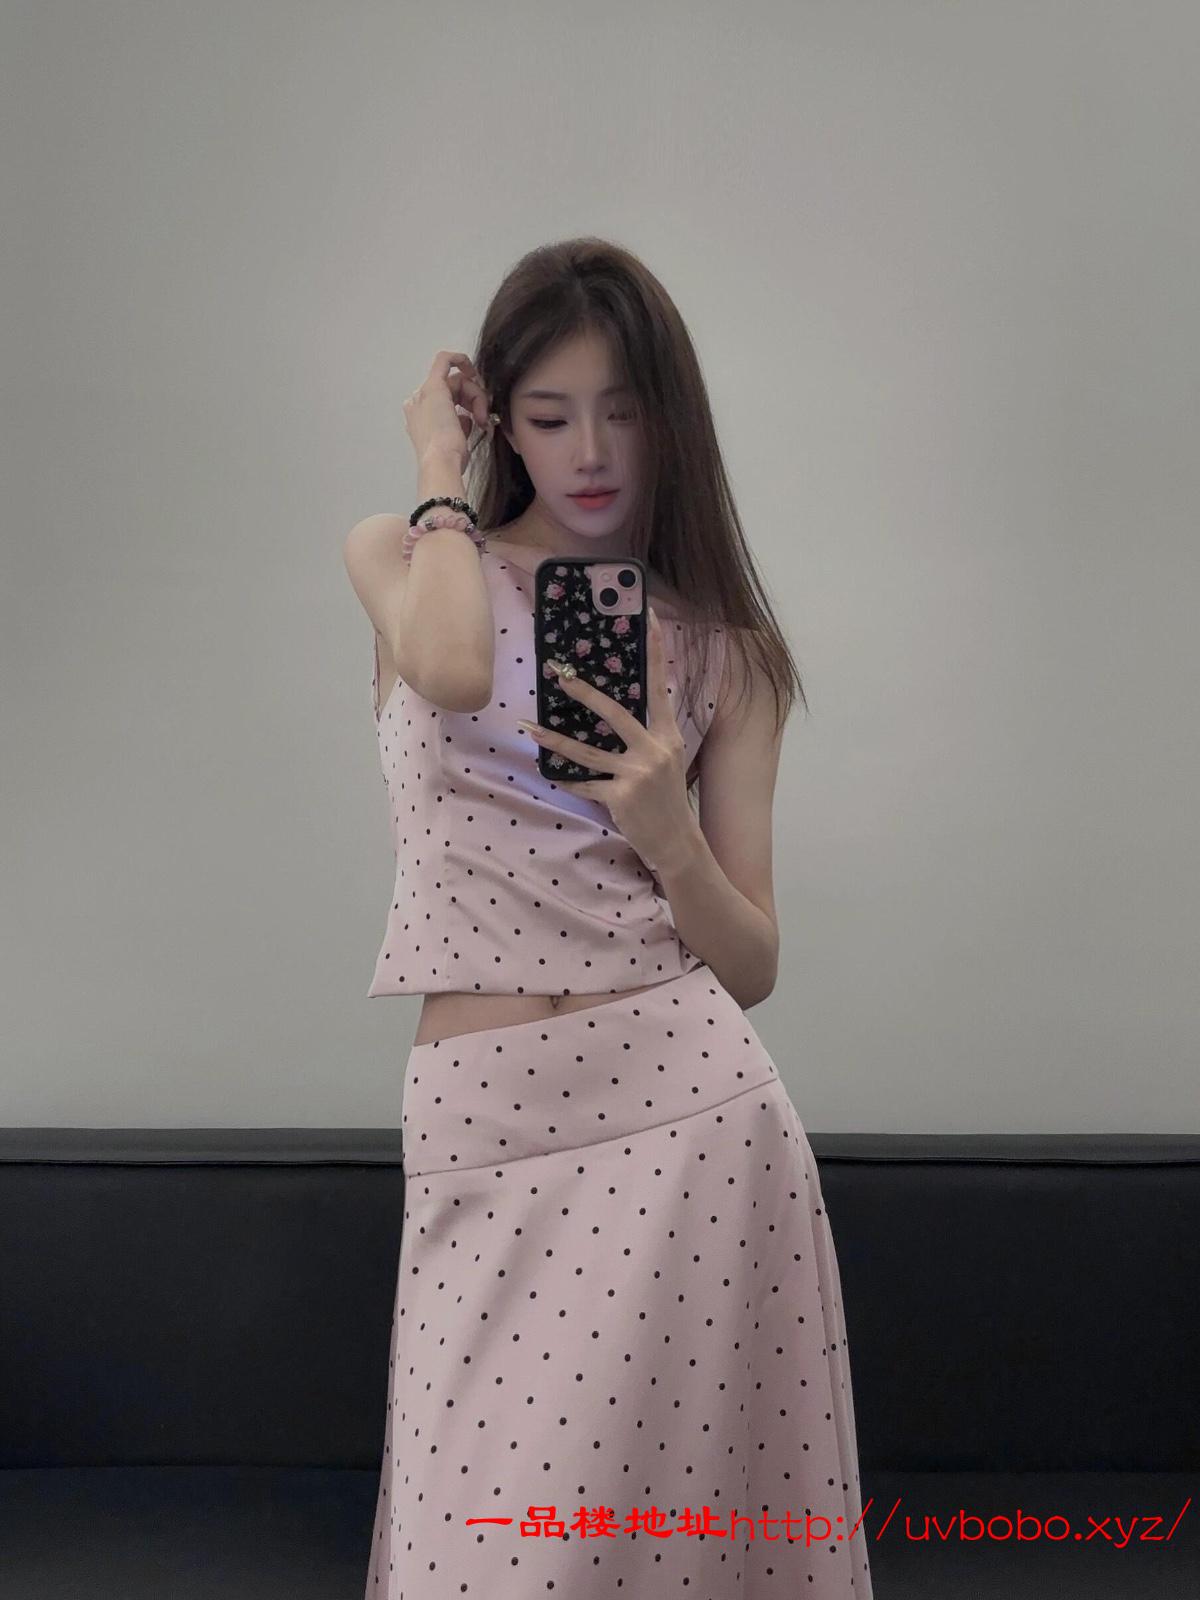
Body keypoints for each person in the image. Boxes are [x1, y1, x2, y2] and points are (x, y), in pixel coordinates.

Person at [344, 236, 873, 1597]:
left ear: (669, 420)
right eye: (549, 415)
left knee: (669, 1559)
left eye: (623, 413)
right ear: (498, 422)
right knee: (491, 1558)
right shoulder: (402, 558)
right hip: (486, 1115)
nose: (589, 453)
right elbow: (452, 669)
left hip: (690, 1117)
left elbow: (752, 965)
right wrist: (437, 472)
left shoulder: (725, 648)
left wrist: (665, 833)